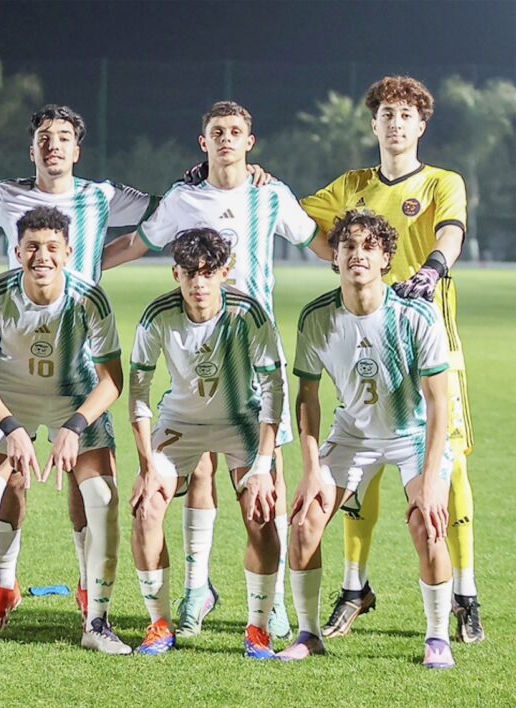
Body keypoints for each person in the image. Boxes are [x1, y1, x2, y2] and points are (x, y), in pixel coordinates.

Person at [103, 101, 328, 640]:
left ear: (251, 142)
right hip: (193, 348)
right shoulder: (184, 198)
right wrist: (79, 266)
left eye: (235, 131)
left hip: (254, 351)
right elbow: (138, 243)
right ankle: (196, 588)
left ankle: (271, 602)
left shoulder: (271, 194)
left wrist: (365, 264)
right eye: (217, 132)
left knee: (267, 481)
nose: (226, 139)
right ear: (203, 142)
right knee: (199, 469)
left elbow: (316, 241)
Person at [299, 76, 482, 643]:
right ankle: (355, 586)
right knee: (363, 463)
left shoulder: (442, 182)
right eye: (387, 114)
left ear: (421, 125)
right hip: (366, 339)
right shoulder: (352, 185)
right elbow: (295, 221)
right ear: (373, 124)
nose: (396, 123)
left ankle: (465, 592)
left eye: (406, 114)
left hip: (431, 342)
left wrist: (432, 269)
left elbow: (450, 234)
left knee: (449, 468)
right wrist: (247, 179)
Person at [0, 104, 153, 628]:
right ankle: (2, 587)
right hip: (12, 360)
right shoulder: (5, 195)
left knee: (89, 486)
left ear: (77, 149)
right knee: (7, 482)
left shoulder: (100, 195)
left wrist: (98, 261)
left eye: (63, 137)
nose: (53, 145)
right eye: (44, 136)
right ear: (32, 148)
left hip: (80, 364)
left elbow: (163, 215)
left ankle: (91, 593)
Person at [278, 210, 456, 670]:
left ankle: (438, 638)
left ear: (385, 260)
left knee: (427, 524)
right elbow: (307, 397)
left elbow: (439, 403)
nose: (358, 254)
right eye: (349, 246)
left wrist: (430, 481)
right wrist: (311, 469)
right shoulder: (317, 317)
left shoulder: (416, 315)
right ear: (334, 257)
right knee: (304, 522)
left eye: (369, 247)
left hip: (412, 435)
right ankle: (308, 635)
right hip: (353, 434)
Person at [0, 206, 129, 655]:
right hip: (9, 397)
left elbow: (112, 381)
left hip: (73, 396)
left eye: (51, 247)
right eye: (32, 247)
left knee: (102, 497)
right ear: (17, 252)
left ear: (68, 253)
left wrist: (75, 426)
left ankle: (97, 621)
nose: (41, 256)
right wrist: (11, 428)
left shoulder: (90, 298)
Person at [129, 227, 285, 659]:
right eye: (190, 273)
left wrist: (263, 466)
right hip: (180, 423)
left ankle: (258, 629)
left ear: (224, 272)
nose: (199, 283)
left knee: (261, 515)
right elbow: (139, 394)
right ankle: (159, 625)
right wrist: (147, 466)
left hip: (240, 421)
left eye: (208, 272)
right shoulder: (158, 315)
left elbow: (273, 390)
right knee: (146, 509)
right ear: (175, 274)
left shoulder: (248, 313)